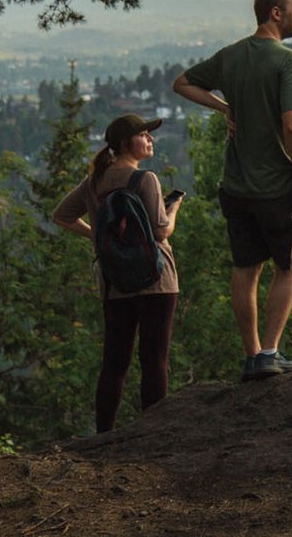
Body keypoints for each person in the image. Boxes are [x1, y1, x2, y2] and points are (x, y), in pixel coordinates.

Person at [171, 0, 292, 382]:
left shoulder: (232, 56)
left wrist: (224, 106)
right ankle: (270, 351)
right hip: (276, 187)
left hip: (235, 185)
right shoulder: (287, 60)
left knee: (245, 268)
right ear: (276, 13)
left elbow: (181, 83)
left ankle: (252, 355)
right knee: (288, 266)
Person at [53, 113, 183, 432]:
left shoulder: (95, 181)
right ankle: (153, 434)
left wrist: (99, 237)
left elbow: (62, 215)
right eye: (144, 135)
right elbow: (161, 232)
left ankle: (104, 433)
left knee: (114, 363)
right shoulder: (145, 179)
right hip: (157, 280)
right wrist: (174, 208)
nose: (150, 139)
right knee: (154, 361)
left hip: (115, 283)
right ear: (127, 144)